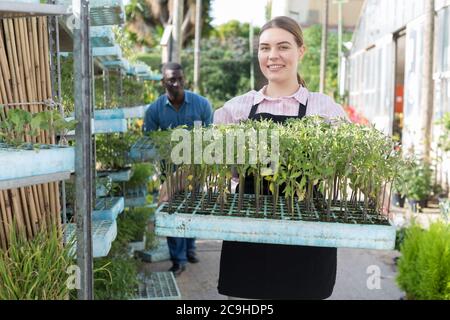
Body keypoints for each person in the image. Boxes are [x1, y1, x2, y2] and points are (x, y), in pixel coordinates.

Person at [213, 16, 349, 299]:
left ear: (301, 51)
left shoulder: (323, 109)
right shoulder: (236, 109)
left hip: (307, 230)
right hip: (249, 228)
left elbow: (345, 165)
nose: (272, 56)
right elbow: (217, 166)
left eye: (283, 47)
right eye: (264, 48)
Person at [144, 62, 213, 277]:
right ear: (162, 81)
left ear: (185, 79)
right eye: (171, 79)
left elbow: (209, 139)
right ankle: (178, 259)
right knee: (173, 213)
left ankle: (190, 248)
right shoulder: (154, 110)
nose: (176, 83)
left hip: (194, 170)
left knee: (191, 209)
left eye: (180, 79)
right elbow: (149, 140)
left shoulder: (201, 105)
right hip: (168, 172)